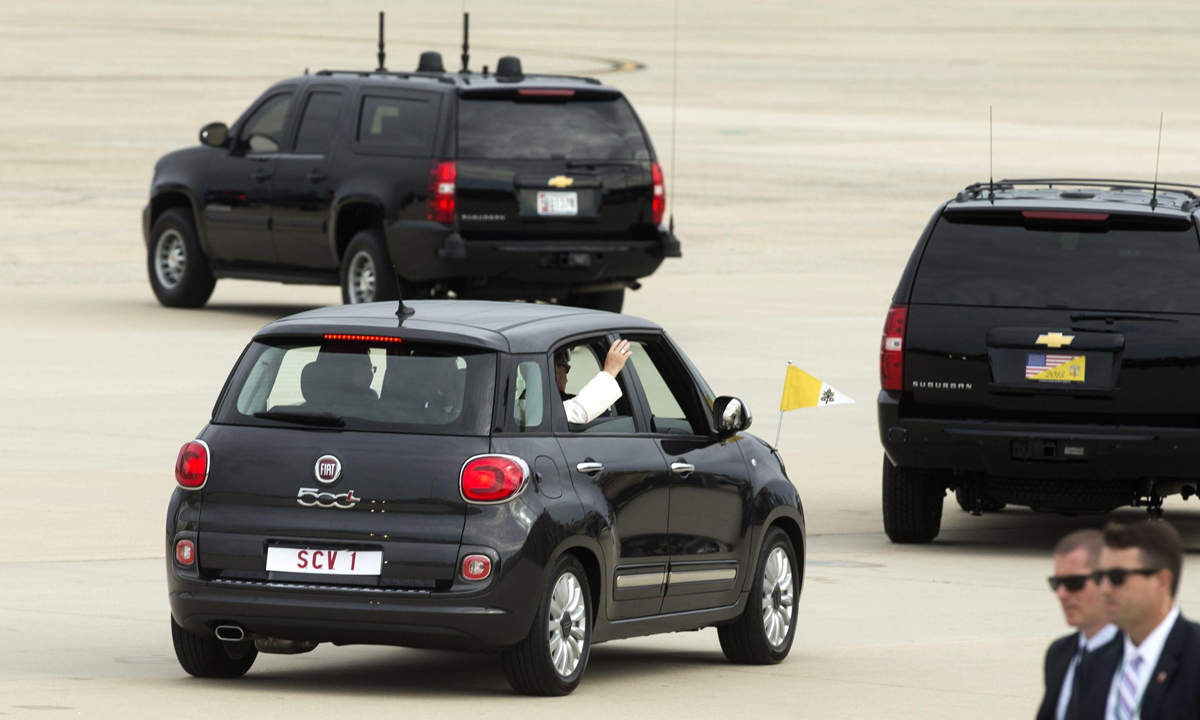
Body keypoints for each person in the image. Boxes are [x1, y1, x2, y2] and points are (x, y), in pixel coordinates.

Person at [1073, 520, 1200, 720]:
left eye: (1117, 577)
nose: (1104, 589)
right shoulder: (1093, 660)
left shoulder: (1194, 657)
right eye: (1100, 576)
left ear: (1161, 581)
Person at [1037, 529, 1120, 720]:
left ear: (1106, 581)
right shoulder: (1059, 653)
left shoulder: (1137, 656)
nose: (1062, 594)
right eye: (1057, 583)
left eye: (1074, 583)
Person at [557, 339, 630, 424]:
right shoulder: (544, 410)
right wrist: (611, 371)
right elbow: (577, 412)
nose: (566, 379)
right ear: (554, 368)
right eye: (566, 369)